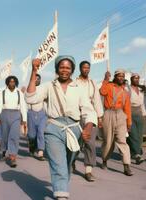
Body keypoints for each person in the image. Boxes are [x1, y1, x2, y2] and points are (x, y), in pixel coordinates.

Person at [25, 56, 97, 200]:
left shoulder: (79, 88)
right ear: (57, 69)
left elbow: (88, 111)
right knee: (58, 163)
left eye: (68, 68)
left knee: (68, 164)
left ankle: (61, 188)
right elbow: (30, 97)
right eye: (61, 67)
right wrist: (34, 71)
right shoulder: (48, 86)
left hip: (74, 129)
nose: (64, 70)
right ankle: (61, 195)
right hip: (53, 128)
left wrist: (88, 128)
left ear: (72, 70)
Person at [73, 60, 104, 182]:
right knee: (75, 142)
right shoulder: (74, 83)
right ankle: (71, 162)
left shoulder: (92, 83)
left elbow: (97, 100)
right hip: (76, 114)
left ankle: (88, 171)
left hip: (90, 114)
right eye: (84, 68)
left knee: (90, 143)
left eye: (88, 68)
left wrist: (100, 117)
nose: (86, 69)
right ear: (80, 69)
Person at [99, 69, 133, 176]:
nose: (121, 78)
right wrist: (105, 79)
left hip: (121, 115)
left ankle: (126, 165)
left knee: (122, 141)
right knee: (108, 141)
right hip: (109, 113)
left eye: (123, 76)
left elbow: (127, 108)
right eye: (119, 76)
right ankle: (104, 160)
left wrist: (129, 123)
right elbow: (102, 92)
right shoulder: (109, 86)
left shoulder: (126, 92)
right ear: (115, 76)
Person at [0, 76, 27, 168]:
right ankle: (4, 151)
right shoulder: (2, 92)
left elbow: (23, 106)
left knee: (14, 136)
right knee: (5, 136)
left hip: (16, 115)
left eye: (13, 82)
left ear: (16, 83)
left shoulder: (19, 92)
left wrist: (24, 119)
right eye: (10, 82)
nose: (11, 83)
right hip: (4, 114)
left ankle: (13, 157)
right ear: (7, 83)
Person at [127, 73, 146, 164]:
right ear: (131, 79)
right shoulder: (128, 89)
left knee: (139, 135)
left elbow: (142, 103)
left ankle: (133, 151)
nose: (137, 80)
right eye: (135, 78)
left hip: (139, 113)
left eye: (138, 78)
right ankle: (137, 155)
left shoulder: (140, 90)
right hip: (130, 112)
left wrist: (144, 114)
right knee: (133, 134)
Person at [27, 74, 47, 161]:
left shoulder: (43, 90)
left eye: (38, 79)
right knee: (32, 135)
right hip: (31, 113)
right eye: (35, 79)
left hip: (42, 113)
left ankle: (40, 152)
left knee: (41, 133)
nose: (37, 80)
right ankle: (32, 147)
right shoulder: (29, 90)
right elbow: (24, 104)